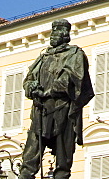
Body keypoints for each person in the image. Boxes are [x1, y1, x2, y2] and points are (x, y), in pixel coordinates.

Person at [18, 19, 94, 179]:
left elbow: (74, 78)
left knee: (63, 160)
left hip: (63, 111)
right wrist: (32, 88)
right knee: (29, 158)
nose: (53, 36)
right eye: (52, 32)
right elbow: (29, 78)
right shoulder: (43, 57)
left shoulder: (74, 54)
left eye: (57, 32)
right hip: (41, 112)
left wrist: (51, 90)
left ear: (65, 35)